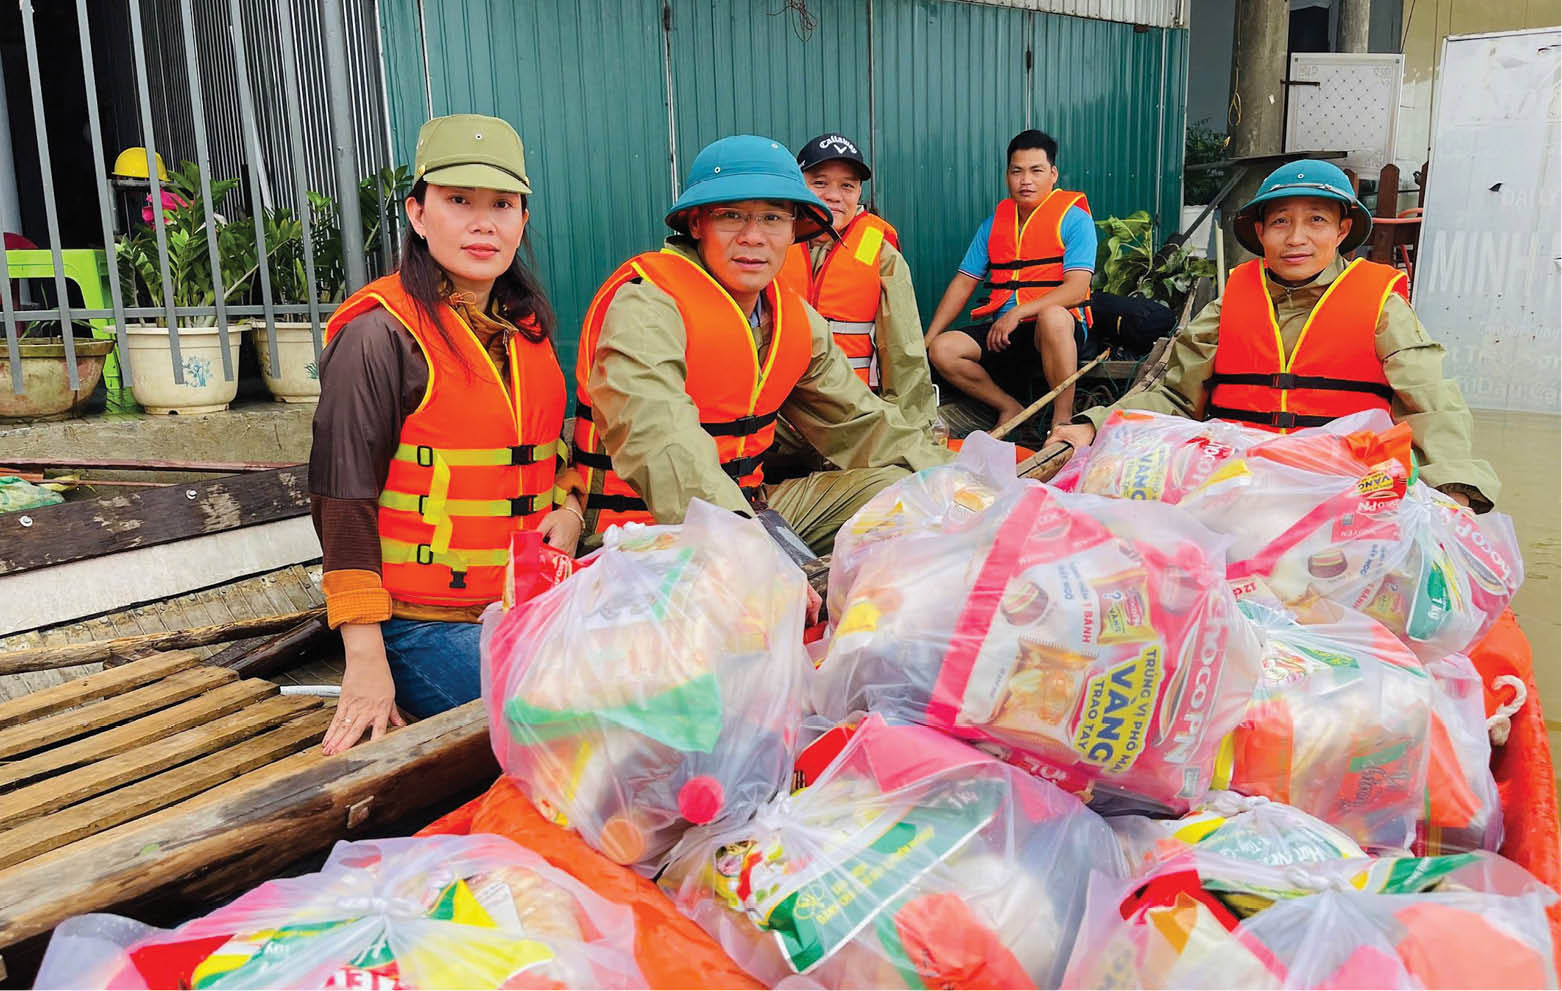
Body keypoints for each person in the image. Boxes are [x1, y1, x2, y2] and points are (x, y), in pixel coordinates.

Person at [309, 114, 584, 754]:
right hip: (419, 625)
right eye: (458, 201)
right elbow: (340, 501)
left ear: (522, 218)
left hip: (527, 604)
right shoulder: (378, 335)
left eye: (502, 205)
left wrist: (569, 509)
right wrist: (366, 662)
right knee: (569, 739)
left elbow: (552, 451)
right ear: (417, 213)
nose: (482, 223)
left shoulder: (523, 329)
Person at [572, 134, 949, 557]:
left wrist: (959, 480)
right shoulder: (647, 301)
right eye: (732, 216)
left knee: (911, 490)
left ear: (793, 229)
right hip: (643, 531)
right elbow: (660, 438)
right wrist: (749, 552)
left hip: (752, 508)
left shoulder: (791, 315)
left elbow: (862, 422)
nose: (753, 237)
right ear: (697, 224)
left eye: (772, 218)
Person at [1048, 159, 1499, 510]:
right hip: (1236, 484)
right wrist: (1093, 424)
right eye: (1281, 222)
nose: (1296, 238)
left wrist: (1454, 489)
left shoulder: (1383, 306)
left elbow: (1432, 406)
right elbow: (1175, 400)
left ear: (1343, 230)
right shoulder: (1230, 304)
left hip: (1342, 490)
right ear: (1261, 232)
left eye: (1317, 221)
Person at [924, 129, 1096, 435]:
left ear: (1053, 174)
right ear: (1007, 176)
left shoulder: (1075, 219)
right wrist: (928, 338)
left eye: (1036, 171)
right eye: (1017, 171)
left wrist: (1019, 312)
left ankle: (1062, 421)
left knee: (1053, 317)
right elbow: (964, 283)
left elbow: (1075, 287)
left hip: (1056, 330)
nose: (1025, 180)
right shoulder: (994, 224)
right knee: (943, 348)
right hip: (1004, 331)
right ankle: (1008, 407)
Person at [777, 132, 936, 430]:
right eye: (820, 183)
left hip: (848, 417)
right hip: (779, 412)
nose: (834, 196)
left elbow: (905, 353)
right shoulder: (769, 244)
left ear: (859, 193)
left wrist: (912, 431)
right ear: (798, 185)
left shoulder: (881, 254)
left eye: (847, 186)